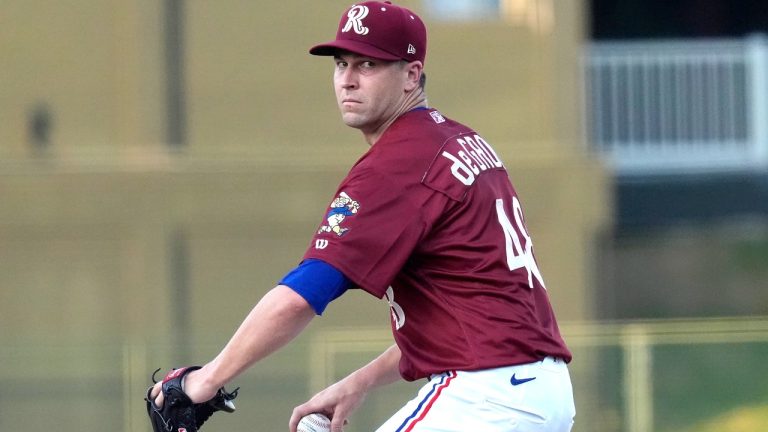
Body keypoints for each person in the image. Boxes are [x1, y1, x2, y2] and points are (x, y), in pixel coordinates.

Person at [150, 2, 575, 431]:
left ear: (412, 74)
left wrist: (204, 381)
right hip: (537, 391)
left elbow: (303, 295)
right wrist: (360, 381)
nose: (348, 80)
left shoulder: (399, 163)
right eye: (341, 63)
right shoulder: (460, 141)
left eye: (368, 64)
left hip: (488, 398)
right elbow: (468, 323)